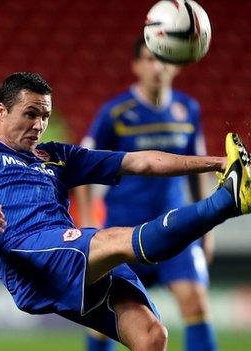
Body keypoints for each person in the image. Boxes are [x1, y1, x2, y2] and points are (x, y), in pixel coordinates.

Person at [0, 72, 251, 351]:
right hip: (28, 251)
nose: (39, 125)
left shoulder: (56, 155)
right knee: (115, 240)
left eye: (45, 116)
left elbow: (140, 161)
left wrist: (219, 162)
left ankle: (227, 193)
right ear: (2, 111)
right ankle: (225, 203)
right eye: (30, 113)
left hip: (62, 257)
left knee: (151, 335)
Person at [77, 37, 218, 351]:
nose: (157, 67)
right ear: (136, 66)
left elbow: (198, 170)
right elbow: (83, 164)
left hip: (176, 227)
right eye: (149, 60)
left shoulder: (188, 110)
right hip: (124, 232)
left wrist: (206, 230)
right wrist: (88, 220)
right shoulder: (115, 113)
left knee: (196, 304)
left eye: (164, 59)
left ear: (176, 64)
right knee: (104, 322)